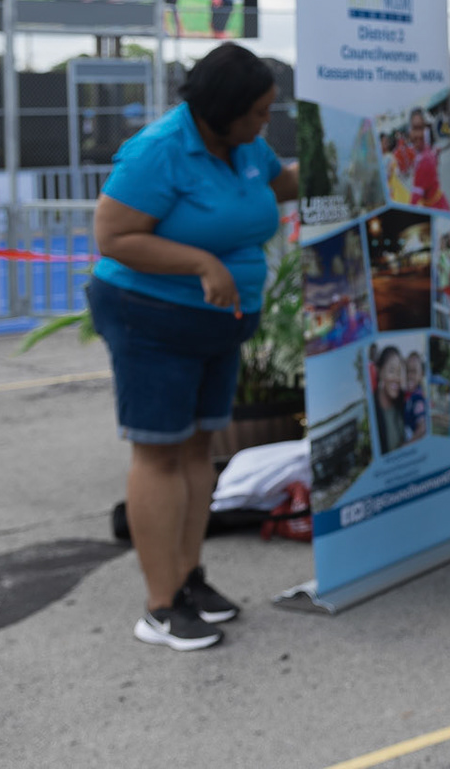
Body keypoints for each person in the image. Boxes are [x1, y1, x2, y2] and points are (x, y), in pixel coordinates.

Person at [87, 43, 300, 652]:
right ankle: (160, 607)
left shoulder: (245, 146)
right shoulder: (159, 151)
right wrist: (201, 263)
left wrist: (354, 150)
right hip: (150, 318)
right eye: (258, 112)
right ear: (220, 111)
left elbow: (283, 184)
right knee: (159, 454)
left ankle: (187, 577)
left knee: (200, 448)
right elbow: (113, 236)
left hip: (217, 324)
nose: (266, 123)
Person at [371, 343, 407, 453]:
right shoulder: (372, 411)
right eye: (391, 371)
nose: (397, 378)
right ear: (379, 372)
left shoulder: (402, 402)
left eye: (399, 372)